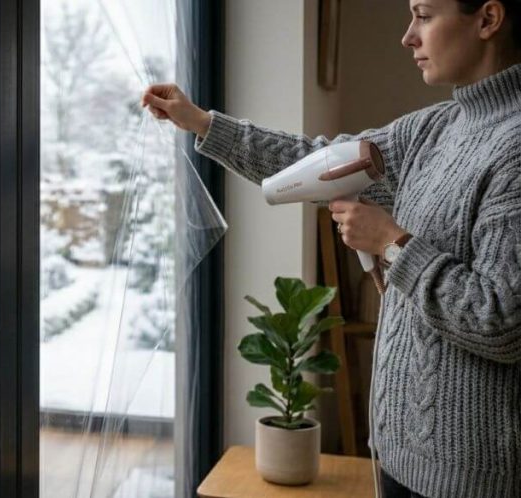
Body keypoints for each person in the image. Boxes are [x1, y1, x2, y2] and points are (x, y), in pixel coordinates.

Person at [142, 0, 521, 497]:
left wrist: (392, 243)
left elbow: (501, 323)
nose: (409, 36)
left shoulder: (514, 148)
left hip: (470, 480)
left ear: (488, 20)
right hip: (394, 456)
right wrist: (202, 123)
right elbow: (318, 161)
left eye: (424, 16)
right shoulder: (434, 128)